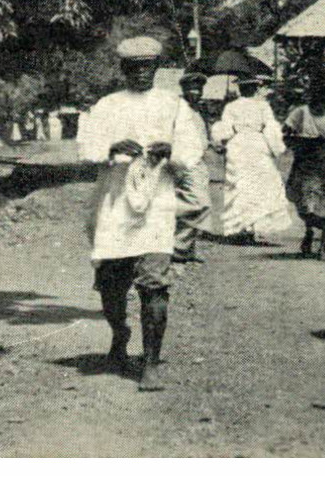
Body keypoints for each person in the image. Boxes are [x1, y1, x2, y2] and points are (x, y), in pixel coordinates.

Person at [78, 37, 205, 391]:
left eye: (148, 67)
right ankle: (120, 334)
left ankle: (150, 362)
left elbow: (194, 148)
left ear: (157, 68)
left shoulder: (174, 105)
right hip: (115, 204)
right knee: (111, 285)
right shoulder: (107, 106)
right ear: (123, 69)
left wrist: (171, 149)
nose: (141, 74)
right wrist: (111, 147)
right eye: (134, 68)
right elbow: (85, 148)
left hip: (156, 206)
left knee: (154, 283)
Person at [211, 74, 291, 243]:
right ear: (255, 89)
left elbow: (225, 129)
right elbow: (270, 130)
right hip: (256, 144)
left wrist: (221, 142)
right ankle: (254, 227)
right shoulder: (262, 106)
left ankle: (244, 228)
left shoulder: (231, 107)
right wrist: (277, 148)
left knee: (240, 184)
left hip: (238, 145)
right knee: (260, 184)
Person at [284, 78, 325, 259]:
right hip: (306, 163)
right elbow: (286, 132)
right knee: (307, 206)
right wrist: (297, 143)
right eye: (315, 96)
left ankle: (323, 247)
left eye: (323, 97)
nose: (319, 101)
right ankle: (309, 232)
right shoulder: (300, 112)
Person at [171, 73, 213, 264]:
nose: (195, 93)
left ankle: (187, 248)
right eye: (191, 89)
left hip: (197, 161)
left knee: (194, 204)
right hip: (181, 162)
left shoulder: (199, 111)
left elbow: (201, 136)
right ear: (184, 90)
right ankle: (177, 247)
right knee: (197, 203)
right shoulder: (176, 109)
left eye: (198, 90)